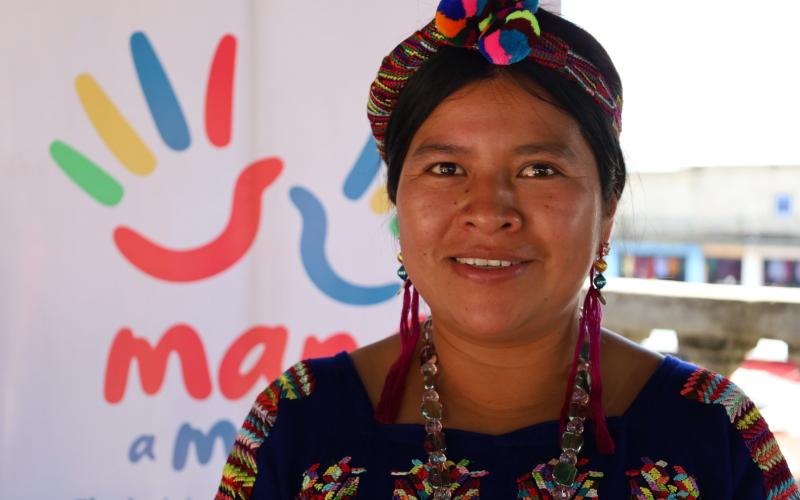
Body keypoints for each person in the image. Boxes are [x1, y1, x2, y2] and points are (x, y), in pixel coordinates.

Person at [216, 1, 799, 498]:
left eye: (539, 169)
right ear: (398, 201)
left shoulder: (713, 431)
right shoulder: (296, 421)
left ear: (607, 210)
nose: (489, 210)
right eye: (446, 168)